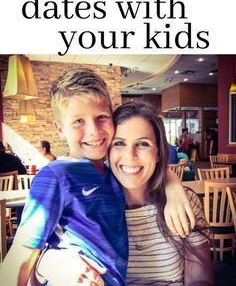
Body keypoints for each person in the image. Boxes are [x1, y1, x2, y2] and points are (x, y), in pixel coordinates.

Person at [0, 69, 196, 286]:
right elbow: (20, 256)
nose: (93, 131)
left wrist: (173, 186)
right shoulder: (56, 176)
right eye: (78, 121)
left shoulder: (111, 172)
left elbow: (150, 168)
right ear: (59, 129)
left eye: (101, 117)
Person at [38, 101, 213, 286]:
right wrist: (51, 264)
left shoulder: (183, 203)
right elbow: (32, 269)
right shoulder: (84, 202)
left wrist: (173, 186)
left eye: (143, 144)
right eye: (119, 143)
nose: (130, 155)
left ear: (159, 153)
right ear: (107, 151)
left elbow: (201, 281)